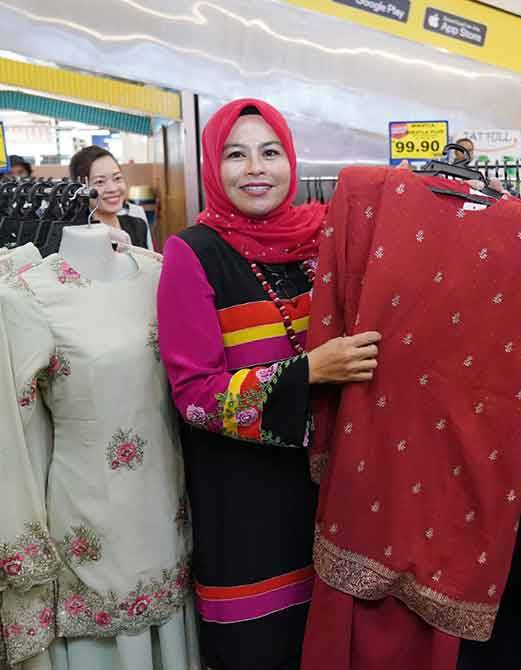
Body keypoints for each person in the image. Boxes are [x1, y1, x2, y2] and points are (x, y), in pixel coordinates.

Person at [156, 98, 381, 670]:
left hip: (336, 492)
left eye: (270, 152)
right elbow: (195, 396)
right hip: (247, 500)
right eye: (236, 155)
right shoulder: (193, 254)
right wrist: (308, 372)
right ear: (212, 166)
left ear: (292, 160)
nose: (256, 168)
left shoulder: (328, 237)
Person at [69, 145, 154, 249]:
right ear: (81, 189)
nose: (113, 188)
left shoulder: (138, 226)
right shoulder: (77, 235)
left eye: (117, 178)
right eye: (100, 182)